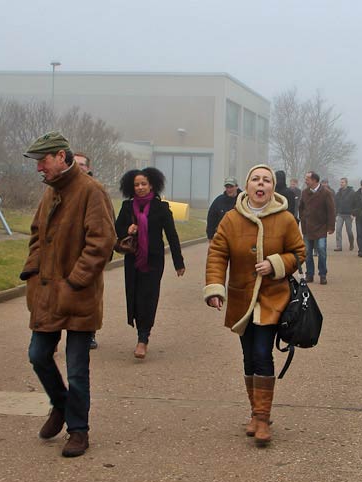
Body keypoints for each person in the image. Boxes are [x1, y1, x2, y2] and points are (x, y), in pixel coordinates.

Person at [20, 132, 116, 458]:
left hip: (78, 295)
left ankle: (78, 430)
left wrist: (75, 281)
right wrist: (33, 270)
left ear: (61, 156)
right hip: (47, 293)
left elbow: (101, 242)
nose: (39, 168)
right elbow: (37, 235)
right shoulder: (50, 192)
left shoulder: (91, 191)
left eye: (43, 160)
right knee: (37, 355)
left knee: (77, 368)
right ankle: (61, 404)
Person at [204, 164, 306, 446]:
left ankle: (263, 417)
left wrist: (276, 264)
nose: (261, 184)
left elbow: (299, 253)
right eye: (256, 180)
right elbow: (217, 254)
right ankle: (254, 412)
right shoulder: (231, 219)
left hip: (272, 298)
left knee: (262, 352)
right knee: (248, 356)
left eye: (266, 180)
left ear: (272, 187)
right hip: (242, 298)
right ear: (246, 186)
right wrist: (215, 288)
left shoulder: (285, 219)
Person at [115, 167, 185, 359]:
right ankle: (140, 330)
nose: (140, 187)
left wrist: (178, 262)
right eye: (136, 185)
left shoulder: (161, 208)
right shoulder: (127, 207)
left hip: (153, 260)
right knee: (135, 297)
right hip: (132, 259)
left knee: (149, 297)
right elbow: (116, 229)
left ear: (152, 185)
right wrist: (127, 229)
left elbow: (172, 235)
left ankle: (143, 337)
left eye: (143, 184)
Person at [74, 152, 105, 350]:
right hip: (65, 253)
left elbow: (105, 224)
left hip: (89, 253)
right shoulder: (59, 189)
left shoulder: (96, 190)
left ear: (88, 168)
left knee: (90, 296)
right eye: (74, 164)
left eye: (82, 165)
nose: (78, 168)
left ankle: (89, 332)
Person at [298, 171, 335, 284]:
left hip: (321, 227)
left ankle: (322, 274)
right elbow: (301, 207)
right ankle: (310, 274)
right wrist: (303, 219)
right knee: (307, 252)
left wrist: (331, 226)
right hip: (308, 227)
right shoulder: (304, 192)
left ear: (314, 180)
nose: (305, 181)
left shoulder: (326, 193)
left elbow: (331, 210)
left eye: (307, 179)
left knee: (321, 250)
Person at [333, 177, 355, 252]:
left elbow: (355, 203)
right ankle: (339, 246)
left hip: (349, 215)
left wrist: (353, 214)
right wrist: (335, 215)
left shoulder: (352, 192)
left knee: (349, 231)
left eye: (342, 182)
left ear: (346, 183)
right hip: (340, 214)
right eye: (340, 182)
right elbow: (335, 204)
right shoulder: (338, 193)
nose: (341, 184)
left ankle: (351, 243)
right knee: (338, 230)